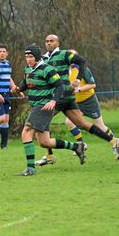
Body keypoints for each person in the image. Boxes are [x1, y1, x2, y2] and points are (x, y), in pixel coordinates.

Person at [36, 34, 119, 166]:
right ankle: (111, 142)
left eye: (51, 41)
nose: (48, 43)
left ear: (58, 43)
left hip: (82, 99)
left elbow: (87, 74)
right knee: (77, 123)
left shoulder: (67, 58)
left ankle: (56, 153)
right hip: (66, 98)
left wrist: (77, 82)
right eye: (46, 41)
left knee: (41, 121)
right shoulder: (45, 59)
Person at [14, 44, 86, 176]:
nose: (28, 59)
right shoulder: (28, 69)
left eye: (31, 56)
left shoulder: (48, 69)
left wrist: (53, 101)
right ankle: (77, 147)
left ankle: (31, 169)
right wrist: (18, 89)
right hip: (36, 105)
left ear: (36, 56)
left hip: (43, 106)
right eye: (26, 57)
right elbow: (26, 82)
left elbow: (59, 86)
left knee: (26, 133)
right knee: (44, 142)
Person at [65, 50, 115, 156]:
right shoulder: (64, 71)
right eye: (69, 56)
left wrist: (78, 89)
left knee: (100, 126)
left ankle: (115, 143)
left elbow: (92, 85)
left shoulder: (83, 69)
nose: (71, 58)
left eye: (73, 56)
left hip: (89, 101)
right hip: (76, 103)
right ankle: (81, 145)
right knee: (69, 122)